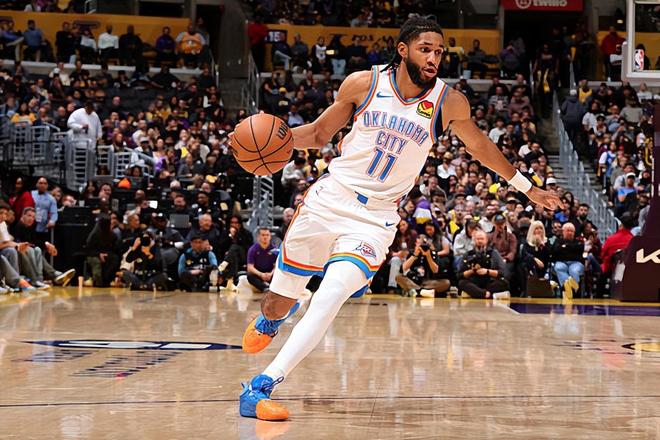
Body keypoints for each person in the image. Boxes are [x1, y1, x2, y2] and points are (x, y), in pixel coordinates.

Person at [231, 17, 561, 421]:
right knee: (277, 302)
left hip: (376, 217)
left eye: (439, 51)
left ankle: (261, 386)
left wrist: (528, 188)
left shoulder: (449, 102)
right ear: (403, 50)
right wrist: (271, 140)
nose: (434, 58)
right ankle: (271, 320)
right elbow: (318, 135)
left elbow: (480, 147)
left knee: (330, 295)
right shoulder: (363, 84)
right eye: (426, 49)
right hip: (329, 200)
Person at [12, 207, 76, 287]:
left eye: (33, 217)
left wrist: (47, 244)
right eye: (29, 216)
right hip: (17, 254)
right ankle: (45, 277)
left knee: (37, 249)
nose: (31, 219)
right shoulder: (16, 226)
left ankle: (42, 278)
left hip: (27, 253)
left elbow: (34, 242)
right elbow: (19, 243)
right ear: (22, 216)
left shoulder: (30, 227)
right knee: (31, 250)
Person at [550, 222, 584, 299]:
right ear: (563, 232)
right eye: (568, 231)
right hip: (561, 262)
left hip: (576, 262)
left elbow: (579, 250)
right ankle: (568, 288)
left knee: (574, 271)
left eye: (572, 231)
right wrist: (569, 248)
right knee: (559, 268)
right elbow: (555, 251)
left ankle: (573, 290)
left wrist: (565, 247)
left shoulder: (579, 242)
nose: (570, 233)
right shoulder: (558, 241)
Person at [85, 214, 120, 287]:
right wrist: (99, 254)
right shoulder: (94, 235)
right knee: (96, 262)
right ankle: (96, 281)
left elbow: (114, 248)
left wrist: (107, 254)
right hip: (94, 255)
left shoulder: (112, 235)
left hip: (107, 254)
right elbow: (89, 249)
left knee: (114, 259)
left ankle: (109, 280)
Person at [245, 227, 277, 293]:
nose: (265, 237)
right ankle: (265, 288)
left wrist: (270, 274)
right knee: (250, 276)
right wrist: (261, 274)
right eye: (263, 235)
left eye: (267, 235)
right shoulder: (253, 249)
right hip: (258, 273)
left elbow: (277, 266)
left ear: (270, 237)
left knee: (279, 275)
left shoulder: (274, 249)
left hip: (270, 273)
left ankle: (272, 288)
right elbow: (250, 267)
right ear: (258, 237)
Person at [30, 176, 58, 248]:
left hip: (43, 226)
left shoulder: (51, 199)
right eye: (40, 183)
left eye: (45, 183)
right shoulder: (31, 194)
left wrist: (52, 220)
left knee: (41, 247)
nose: (42, 185)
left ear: (47, 185)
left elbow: (54, 212)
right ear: (37, 184)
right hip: (30, 224)